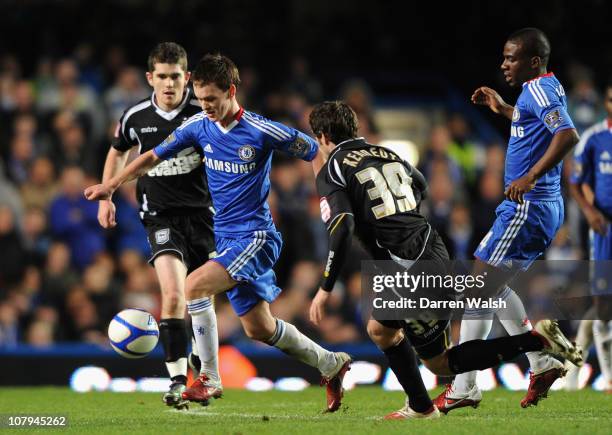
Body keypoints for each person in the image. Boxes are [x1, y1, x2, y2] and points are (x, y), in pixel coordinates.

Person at [85, 53, 352, 413]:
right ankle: (329, 363)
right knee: (260, 328)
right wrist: (112, 185)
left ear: (231, 90)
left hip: (256, 236)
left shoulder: (261, 130)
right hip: (225, 237)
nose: (206, 106)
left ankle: (208, 377)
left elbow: (314, 151)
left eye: (212, 98)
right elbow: (152, 157)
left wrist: (327, 199)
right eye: (201, 97)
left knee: (192, 285)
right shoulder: (198, 125)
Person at [307, 100, 582, 420]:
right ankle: (422, 406)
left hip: (411, 264)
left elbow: (342, 226)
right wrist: (401, 219)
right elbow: (420, 184)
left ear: (324, 136)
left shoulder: (334, 168)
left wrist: (326, 287)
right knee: (380, 330)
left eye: (317, 138)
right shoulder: (386, 152)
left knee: (438, 362)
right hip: (428, 245)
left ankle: (534, 341)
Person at [433, 28, 581, 412]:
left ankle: (467, 385)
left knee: (478, 287)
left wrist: (530, 175)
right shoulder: (542, 90)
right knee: (492, 287)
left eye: (511, 57)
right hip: (539, 207)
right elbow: (536, 123)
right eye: (504, 56)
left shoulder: (538, 90)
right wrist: (502, 109)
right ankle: (541, 362)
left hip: (526, 206)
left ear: (533, 61)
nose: (503, 64)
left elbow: (567, 135)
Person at [96, 42, 218, 409]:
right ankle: (177, 381)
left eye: (175, 76)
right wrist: (107, 196)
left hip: (203, 216)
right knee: (173, 293)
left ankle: (204, 369)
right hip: (159, 217)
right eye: (162, 76)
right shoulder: (134, 116)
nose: (169, 84)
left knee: (201, 299)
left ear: (188, 78)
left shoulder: (202, 113)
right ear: (150, 78)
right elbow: (118, 150)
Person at [568, 81, 612, 392]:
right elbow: (575, 180)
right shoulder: (594, 138)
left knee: (602, 308)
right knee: (604, 305)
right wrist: (589, 211)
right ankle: (609, 377)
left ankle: (576, 357)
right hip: (604, 228)